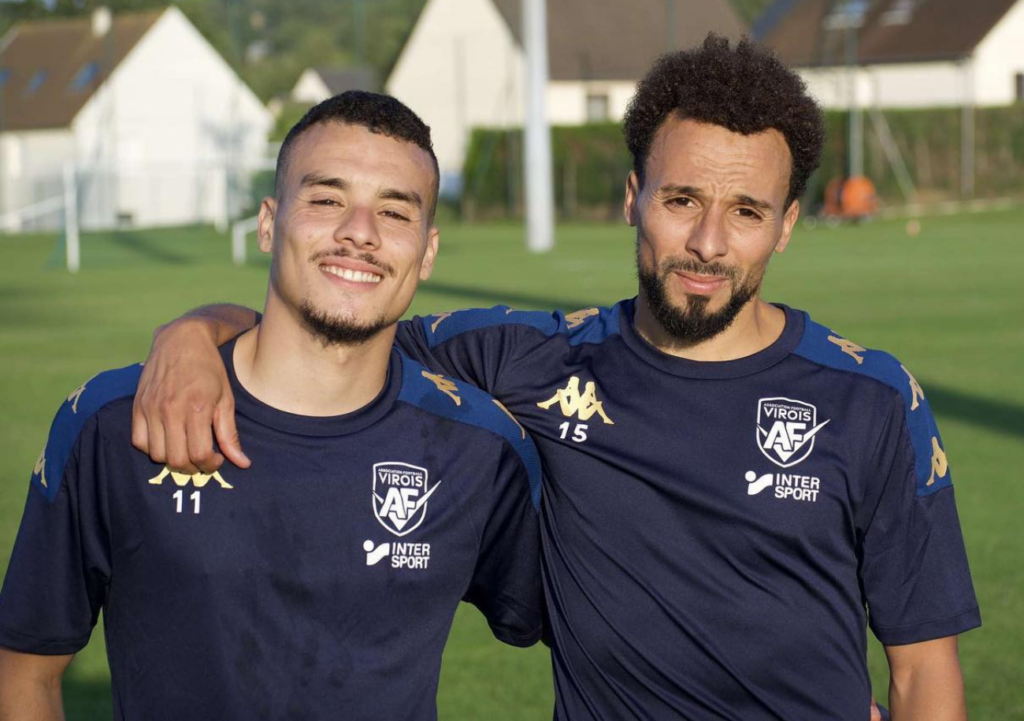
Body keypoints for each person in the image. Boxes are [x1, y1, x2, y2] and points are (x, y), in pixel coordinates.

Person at [130, 37, 979, 720]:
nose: (709, 244)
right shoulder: (525, 359)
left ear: (787, 225)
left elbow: (923, 673)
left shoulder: (872, 399)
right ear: (632, 197)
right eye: (682, 200)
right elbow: (337, 323)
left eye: (747, 212)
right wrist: (196, 332)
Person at [0, 92, 543, 720]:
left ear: (426, 252)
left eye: (394, 212)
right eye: (326, 199)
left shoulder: (481, 449)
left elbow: (603, 643)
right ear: (267, 222)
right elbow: (23, 674)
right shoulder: (115, 422)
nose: (359, 232)